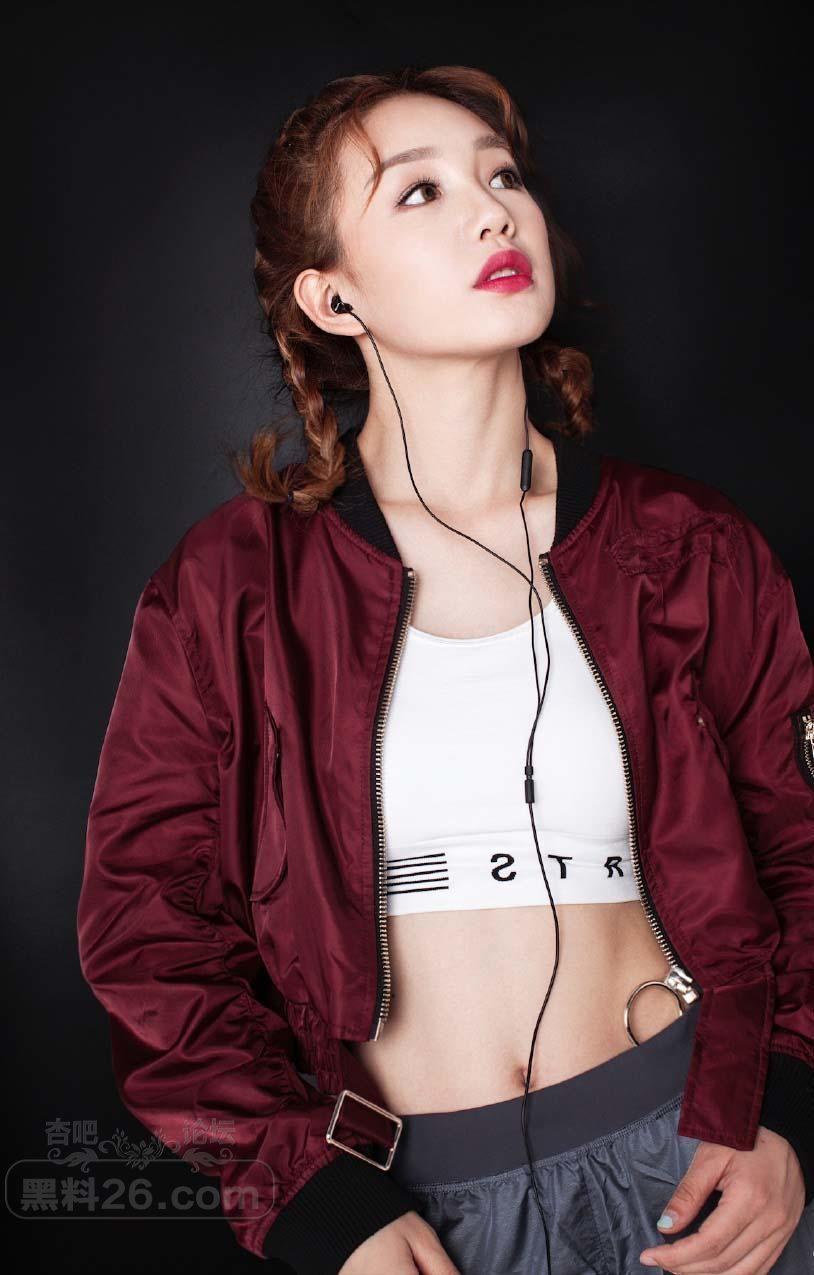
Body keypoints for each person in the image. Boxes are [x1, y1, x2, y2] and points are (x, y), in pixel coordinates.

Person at [77, 65, 814, 1274]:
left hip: (696, 1163)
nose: (491, 212)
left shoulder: (688, 548)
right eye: (419, 192)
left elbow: (799, 850)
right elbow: (150, 936)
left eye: (502, 176)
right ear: (332, 297)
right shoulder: (232, 586)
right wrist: (314, 1204)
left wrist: (783, 1110)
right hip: (411, 1211)